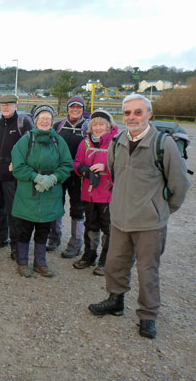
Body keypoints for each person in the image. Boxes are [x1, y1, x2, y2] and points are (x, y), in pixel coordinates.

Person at [89, 94, 190, 339]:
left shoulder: (163, 144)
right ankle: (115, 300)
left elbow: (180, 185)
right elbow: (113, 174)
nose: (132, 117)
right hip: (120, 219)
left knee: (148, 271)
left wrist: (161, 211)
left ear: (149, 114)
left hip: (149, 224)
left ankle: (147, 315)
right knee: (115, 264)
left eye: (138, 112)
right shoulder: (118, 141)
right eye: (127, 113)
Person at [11, 104, 73, 278]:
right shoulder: (25, 140)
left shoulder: (58, 141)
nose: (45, 121)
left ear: (52, 121)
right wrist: (36, 177)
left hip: (50, 193)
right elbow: (18, 166)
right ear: (36, 120)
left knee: (43, 229)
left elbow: (67, 165)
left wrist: (53, 178)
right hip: (28, 192)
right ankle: (22, 262)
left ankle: (40, 262)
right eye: (42, 118)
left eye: (48, 118)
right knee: (24, 229)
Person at [0, 95, 33, 259]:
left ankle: (16, 245)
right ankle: (0, 237)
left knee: (14, 212)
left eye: (9, 105)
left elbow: (31, 148)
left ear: (16, 105)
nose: (5, 107)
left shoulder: (23, 123)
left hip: (13, 176)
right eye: (3, 105)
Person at [72, 110, 118, 275]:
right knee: (90, 225)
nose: (98, 128)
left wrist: (105, 168)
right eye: (95, 124)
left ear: (108, 125)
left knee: (108, 228)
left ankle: (106, 261)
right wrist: (84, 170)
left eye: (101, 124)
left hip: (108, 193)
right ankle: (89, 255)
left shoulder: (116, 143)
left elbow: (124, 166)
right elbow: (76, 163)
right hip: (89, 192)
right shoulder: (85, 143)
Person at [47, 95, 88, 257]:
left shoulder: (87, 127)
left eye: (79, 107)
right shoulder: (58, 126)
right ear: (68, 109)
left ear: (83, 110)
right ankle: (54, 237)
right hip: (60, 173)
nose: (75, 110)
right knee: (56, 205)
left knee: (78, 209)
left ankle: (75, 243)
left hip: (79, 175)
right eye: (72, 107)